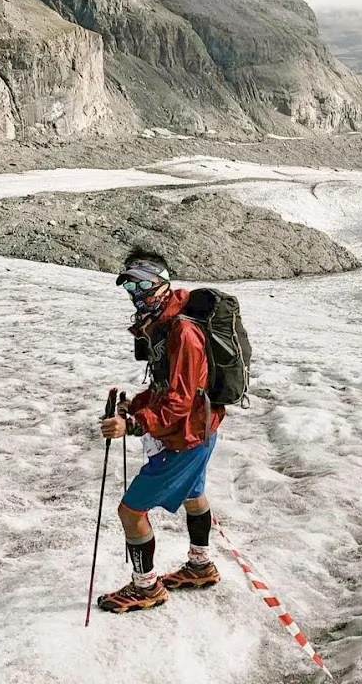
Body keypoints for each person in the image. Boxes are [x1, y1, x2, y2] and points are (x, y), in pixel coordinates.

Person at [97, 249, 224, 614]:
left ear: (161, 282)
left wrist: (134, 424)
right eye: (129, 286)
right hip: (201, 428)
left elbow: (179, 401)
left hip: (186, 435)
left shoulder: (181, 331)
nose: (135, 292)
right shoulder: (165, 323)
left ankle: (146, 587)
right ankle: (200, 565)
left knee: (131, 511)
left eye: (141, 283)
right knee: (193, 494)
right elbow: (166, 388)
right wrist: (134, 406)